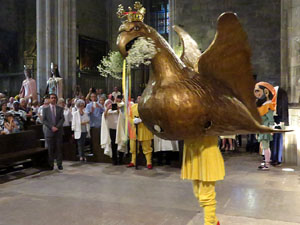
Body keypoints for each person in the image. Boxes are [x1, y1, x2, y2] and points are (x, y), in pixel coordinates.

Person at [254, 82, 276, 171]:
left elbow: (271, 119)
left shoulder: (268, 105)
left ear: (265, 91)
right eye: (255, 91)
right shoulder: (261, 104)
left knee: (266, 146)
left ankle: (267, 163)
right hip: (261, 127)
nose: (256, 94)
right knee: (263, 145)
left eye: (258, 91)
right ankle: (265, 162)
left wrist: (271, 129)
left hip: (265, 128)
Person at [127, 97, 154, 169]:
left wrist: (143, 120)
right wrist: (133, 120)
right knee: (133, 147)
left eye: (141, 98)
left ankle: (149, 162)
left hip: (145, 130)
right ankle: (133, 161)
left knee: (147, 147)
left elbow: (151, 117)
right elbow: (129, 117)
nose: (139, 99)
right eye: (138, 98)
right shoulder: (133, 107)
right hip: (134, 129)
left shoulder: (147, 107)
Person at [42, 93, 65, 170]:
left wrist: (57, 127)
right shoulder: (45, 109)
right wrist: (51, 127)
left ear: (56, 99)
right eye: (52, 98)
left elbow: (62, 119)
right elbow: (44, 120)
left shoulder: (60, 109)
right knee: (50, 149)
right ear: (49, 99)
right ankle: (51, 164)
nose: (53, 99)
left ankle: (59, 164)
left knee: (59, 149)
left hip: (58, 131)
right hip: (49, 131)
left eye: (54, 98)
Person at [101, 100, 126, 165]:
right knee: (113, 146)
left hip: (118, 130)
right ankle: (114, 160)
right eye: (108, 104)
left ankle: (121, 160)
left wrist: (117, 108)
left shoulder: (117, 111)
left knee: (120, 144)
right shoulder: (107, 112)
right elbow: (104, 116)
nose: (110, 105)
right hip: (111, 131)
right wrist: (107, 109)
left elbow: (121, 115)